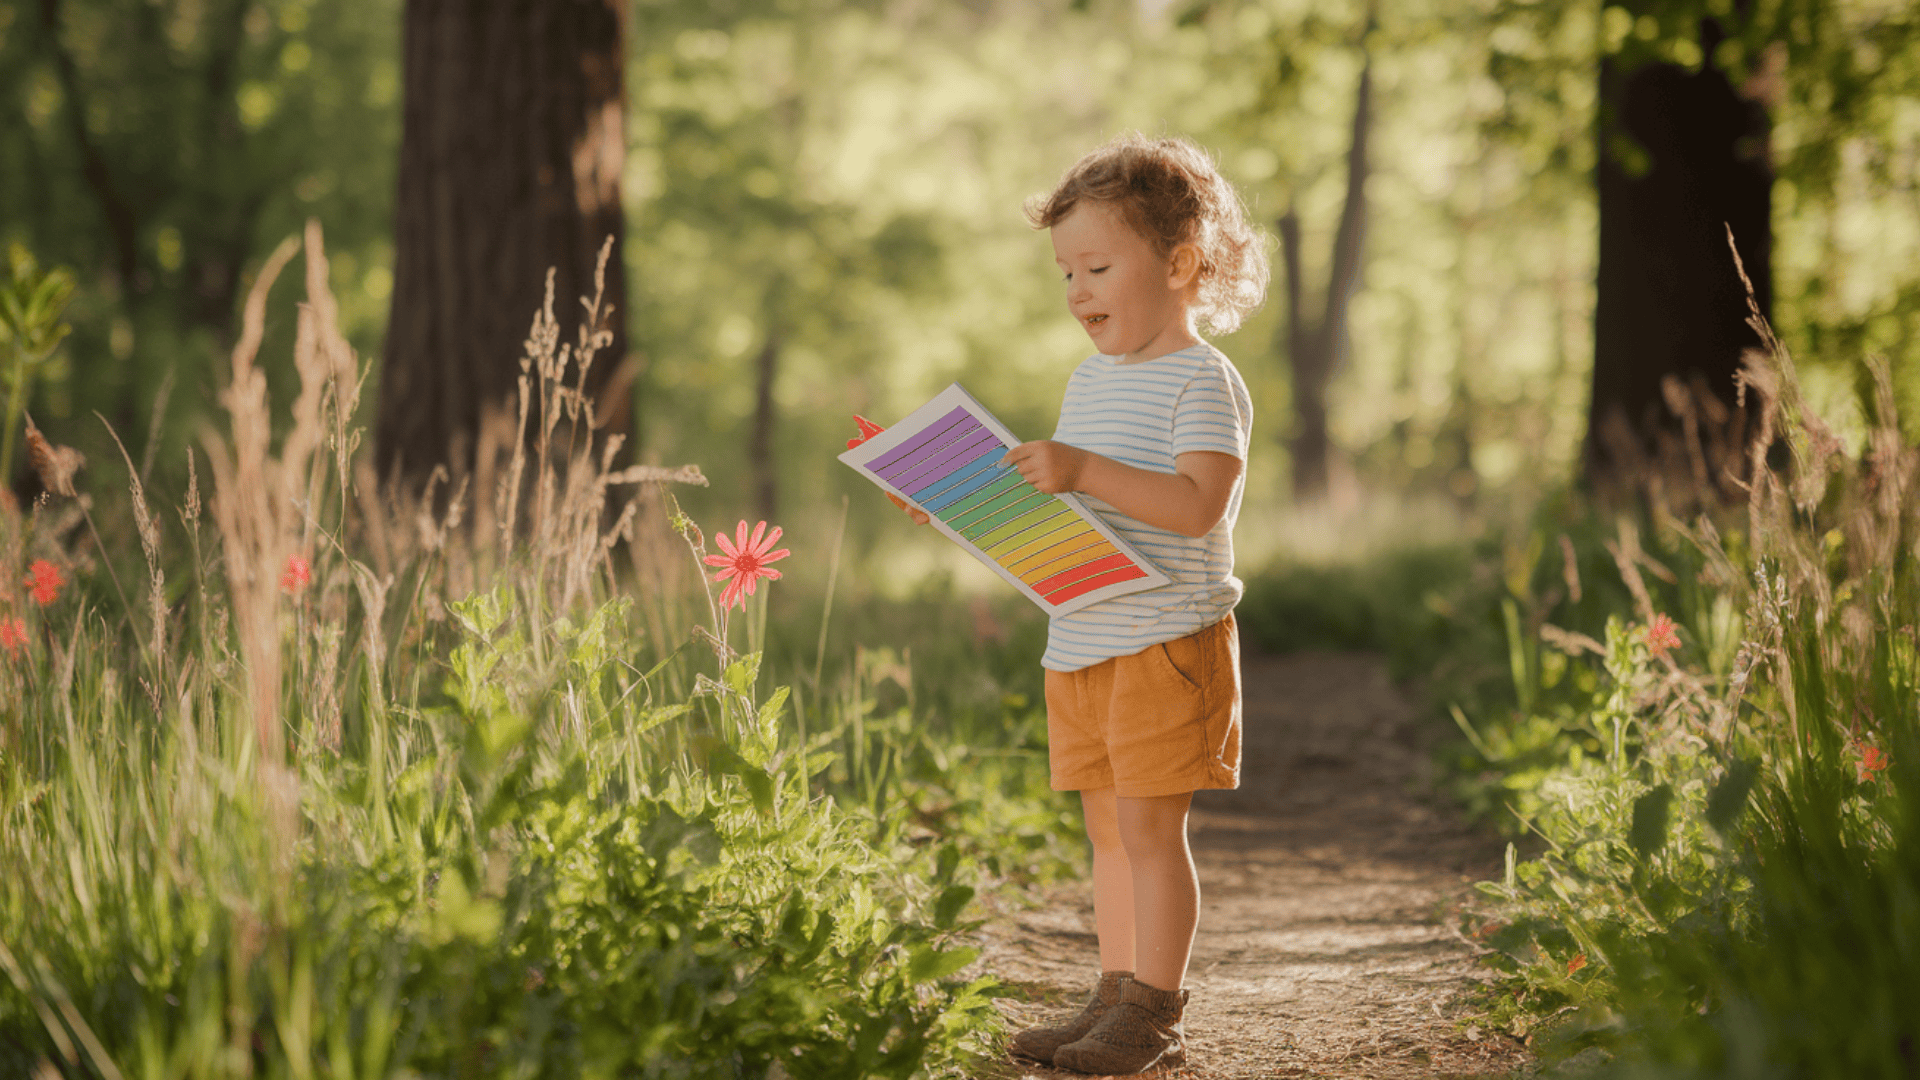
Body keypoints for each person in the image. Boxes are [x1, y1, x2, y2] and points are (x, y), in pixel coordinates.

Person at [904, 132, 1267, 1074]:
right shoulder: (1089, 380)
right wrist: (959, 503)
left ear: (1181, 266)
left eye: (1098, 267)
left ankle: (1155, 1011)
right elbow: (1062, 508)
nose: (1078, 294)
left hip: (1168, 640)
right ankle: (1112, 994)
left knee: (1151, 831)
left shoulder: (1204, 380)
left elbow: (1197, 510)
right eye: (1066, 273)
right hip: (1086, 635)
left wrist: (1082, 469)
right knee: (1106, 831)